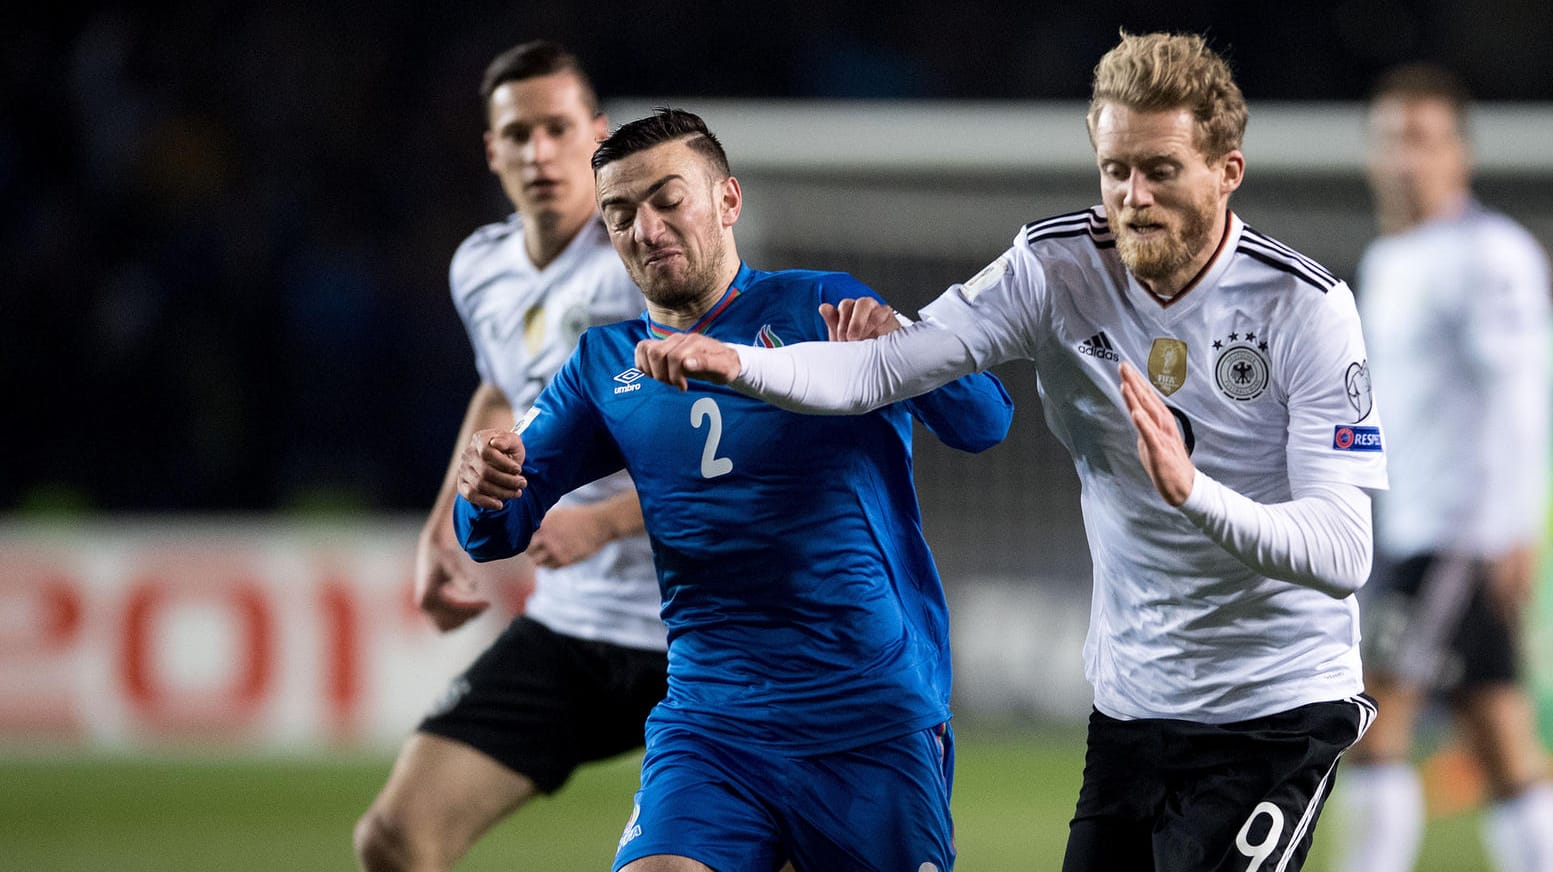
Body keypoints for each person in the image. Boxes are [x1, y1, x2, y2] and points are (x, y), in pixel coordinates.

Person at [635, 31, 1388, 871]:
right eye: (1114, 170)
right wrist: (737, 361)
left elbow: (1342, 550)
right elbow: (882, 365)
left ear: (1227, 171)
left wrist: (1192, 493)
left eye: (1160, 170)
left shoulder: (1305, 308)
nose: (1131, 198)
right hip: (1134, 705)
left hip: (1275, 706)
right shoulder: (1053, 266)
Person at [454, 108, 1014, 871]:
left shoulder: (820, 303)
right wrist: (481, 488)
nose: (644, 229)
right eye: (619, 214)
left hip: (866, 716)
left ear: (726, 201)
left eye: (665, 200)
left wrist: (900, 346)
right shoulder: (605, 364)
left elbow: (983, 422)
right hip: (712, 723)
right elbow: (496, 530)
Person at [354, 41, 667, 872]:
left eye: (558, 128)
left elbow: (744, 435)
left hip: (702, 626)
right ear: (491, 150)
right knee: (394, 837)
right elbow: (499, 393)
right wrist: (440, 533)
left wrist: (604, 521)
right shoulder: (480, 267)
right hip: (575, 623)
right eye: (518, 134)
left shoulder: (650, 263)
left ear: (596, 135)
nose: (539, 152)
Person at [1330, 64, 1553, 872]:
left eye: (1421, 140)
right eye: (1389, 140)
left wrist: (1512, 529)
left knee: (1368, 719)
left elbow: (1522, 393)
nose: (1403, 159)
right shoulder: (1392, 259)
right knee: (1498, 740)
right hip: (1411, 524)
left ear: (1459, 152)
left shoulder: (1487, 254)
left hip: (1456, 532)